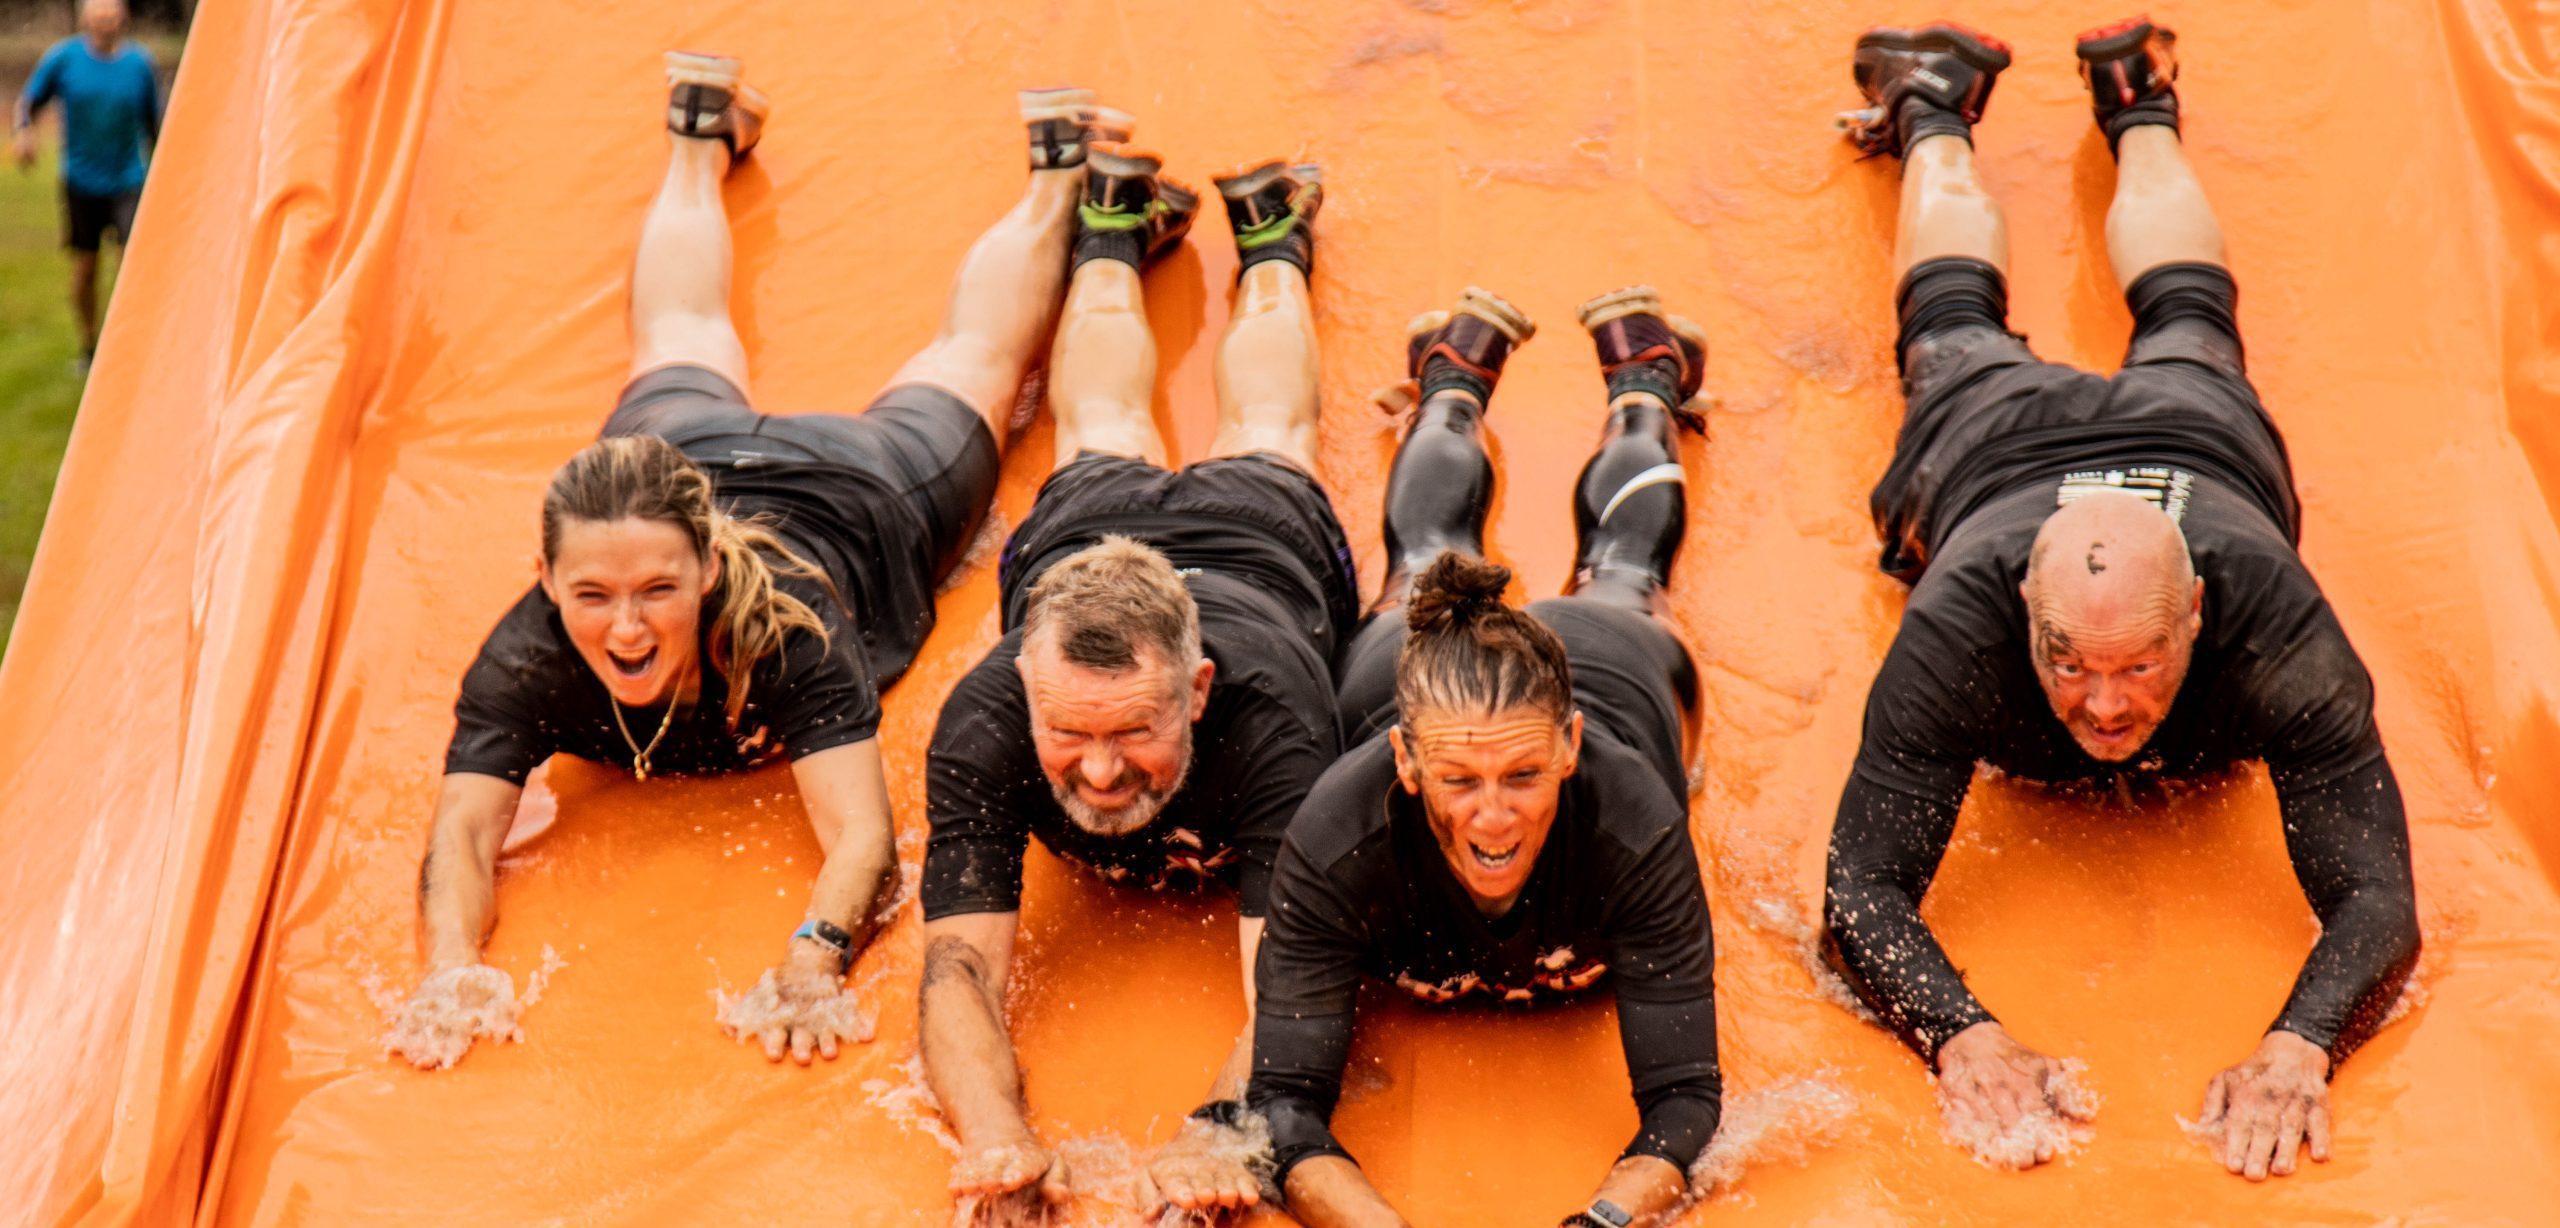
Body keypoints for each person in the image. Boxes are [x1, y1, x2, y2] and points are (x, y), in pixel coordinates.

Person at [388, 54, 1119, 1069]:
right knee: (674, 335)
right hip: (674, 454)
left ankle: (1058, 178)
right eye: (592, 595)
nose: (627, 627)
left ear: (708, 568)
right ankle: (698, 135)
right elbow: (463, 833)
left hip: (858, 485)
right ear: (548, 581)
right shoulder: (527, 650)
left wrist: (813, 958)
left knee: (977, 364)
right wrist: (450, 966)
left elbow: (863, 837)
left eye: (658, 591)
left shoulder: (787, 623)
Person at [1820, 18, 2421, 1182]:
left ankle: (2136, 101)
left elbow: (2379, 900)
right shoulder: (1955, 634)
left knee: (2194, 312)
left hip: (2194, 443)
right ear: (2017, 616)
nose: (2101, 707)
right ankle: (1933, 106)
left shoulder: (2276, 624)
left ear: (2199, 610)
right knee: (1948, 327)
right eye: (2066, 663)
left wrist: (2302, 1046)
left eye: (2138, 664)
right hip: (1993, 453)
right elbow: (1858, 892)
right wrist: (1959, 1033)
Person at [1157, 287, 1722, 1226]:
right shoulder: (1338, 831)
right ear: (1406, 764)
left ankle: (1647, 382)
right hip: (1410, 662)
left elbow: (1685, 1100)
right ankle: (1454, 381)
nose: (1493, 817)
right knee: (1426, 556)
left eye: (1524, 777)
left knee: (1626, 571)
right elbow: (1286, 1105)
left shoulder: (1635, 825)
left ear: (1571, 748)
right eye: (1459, 781)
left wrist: (1602, 1221)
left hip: (1614, 659)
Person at [913, 145, 1354, 1215]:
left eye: (1135, 733)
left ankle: (1273, 247)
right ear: (1022, 684)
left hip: (1260, 540)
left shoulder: (1276, 728)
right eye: (1069, 733)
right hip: (1083, 538)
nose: (1101, 771)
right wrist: (994, 1133)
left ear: (1197, 690)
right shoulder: (984, 716)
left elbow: (1289, 988)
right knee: (1099, 427)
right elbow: (954, 974)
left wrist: (1221, 1131)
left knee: (1267, 430)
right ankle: (1105, 233)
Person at [11, 0, 162, 371]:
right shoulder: (64, 59)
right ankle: (89, 345)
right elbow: (27, 103)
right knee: (85, 267)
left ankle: (130, 346)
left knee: (131, 264)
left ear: (123, 16)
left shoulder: (140, 65)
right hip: (81, 181)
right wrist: (25, 134)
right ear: (85, 18)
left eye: (111, 13)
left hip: (129, 178)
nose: (105, 20)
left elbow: (156, 127)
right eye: (97, 13)